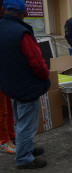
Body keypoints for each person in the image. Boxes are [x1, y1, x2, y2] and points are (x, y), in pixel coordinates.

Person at [0, 0, 50, 169]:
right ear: (24, 13)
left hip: (10, 84)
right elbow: (37, 62)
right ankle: (24, 158)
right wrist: (45, 79)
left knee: (18, 121)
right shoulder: (22, 33)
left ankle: (25, 148)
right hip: (26, 86)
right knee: (26, 125)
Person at [0, 0, 16, 155]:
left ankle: (12, 136)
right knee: (2, 110)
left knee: (8, 107)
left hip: (5, 72)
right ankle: (3, 141)